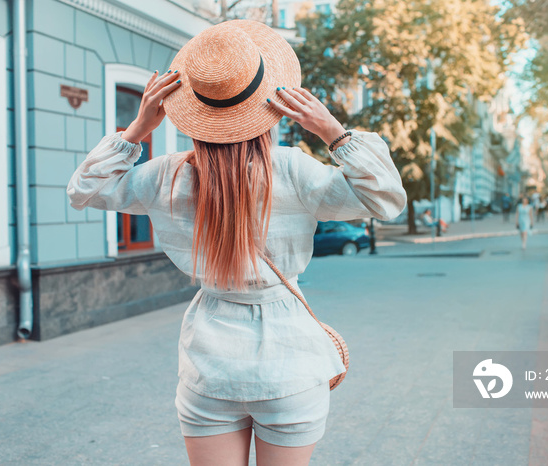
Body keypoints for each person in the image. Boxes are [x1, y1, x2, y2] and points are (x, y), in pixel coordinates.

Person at [66, 20, 406, 466]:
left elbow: (83, 191)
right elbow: (386, 200)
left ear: (189, 108)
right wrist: (333, 132)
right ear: (263, 103)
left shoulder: (165, 177)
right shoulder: (294, 171)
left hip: (210, 366)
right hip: (291, 365)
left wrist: (136, 130)